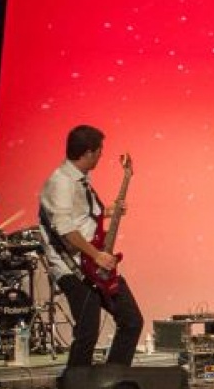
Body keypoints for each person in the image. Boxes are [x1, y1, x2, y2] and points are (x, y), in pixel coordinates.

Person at [39, 125, 144, 371]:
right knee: (87, 332)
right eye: (99, 151)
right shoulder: (61, 182)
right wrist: (96, 255)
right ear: (88, 153)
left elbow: (82, 218)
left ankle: (112, 378)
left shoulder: (80, 180)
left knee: (131, 320)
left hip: (94, 263)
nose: (100, 156)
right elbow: (65, 229)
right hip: (72, 267)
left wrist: (108, 212)